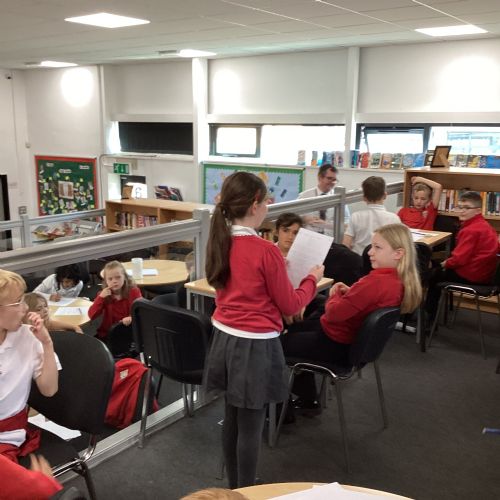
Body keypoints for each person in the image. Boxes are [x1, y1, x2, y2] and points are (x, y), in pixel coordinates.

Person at [203, 171, 324, 489]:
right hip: (255, 346)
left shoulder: (220, 240)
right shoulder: (265, 250)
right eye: (267, 200)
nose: (269, 206)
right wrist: (311, 279)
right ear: (255, 204)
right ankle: (246, 491)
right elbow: (290, 304)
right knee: (251, 426)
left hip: (224, 338)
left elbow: (239, 285)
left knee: (232, 417)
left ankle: (236, 486)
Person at [282, 223, 422, 406]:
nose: (370, 252)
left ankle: (284, 409)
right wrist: (350, 293)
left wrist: (335, 294)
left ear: (398, 253)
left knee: (274, 345)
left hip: (335, 344)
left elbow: (333, 314)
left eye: (377, 247)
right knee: (298, 326)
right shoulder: (396, 281)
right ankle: (307, 398)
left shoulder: (375, 282)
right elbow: (369, 301)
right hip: (350, 342)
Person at [0, 270, 58, 463]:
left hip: (6, 435)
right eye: (18, 302)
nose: (25, 308)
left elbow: (49, 389)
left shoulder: (28, 337)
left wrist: (47, 344)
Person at [425, 191, 500, 321]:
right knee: (436, 267)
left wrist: (441, 265)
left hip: (472, 275)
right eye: (459, 207)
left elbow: (458, 260)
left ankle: (428, 317)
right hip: (486, 274)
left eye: (467, 208)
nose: (462, 211)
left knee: (433, 275)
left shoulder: (470, 230)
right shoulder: (484, 225)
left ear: (477, 210)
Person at [342, 176, 401, 255]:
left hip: (359, 259)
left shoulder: (355, 217)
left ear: (364, 198)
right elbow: (398, 245)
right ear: (385, 195)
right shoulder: (394, 219)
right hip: (383, 260)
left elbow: (346, 244)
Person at [88, 260, 142, 340]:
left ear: (125, 277)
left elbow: (141, 311)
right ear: (106, 281)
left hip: (130, 330)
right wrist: (100, 298)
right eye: (110, 279)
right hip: (110, 333)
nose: (114, 281)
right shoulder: (103, 295)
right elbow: (91, 315)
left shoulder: (133, 291)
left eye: (118, 277)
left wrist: (131, 317)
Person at [297, 163, 350, 237]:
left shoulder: (338, 198)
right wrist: (304, 219)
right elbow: (294, 218)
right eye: (329, 178)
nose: (332, 182)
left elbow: (347, 224)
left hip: (331, 239)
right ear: (320, 178)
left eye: (334, 180)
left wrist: (326, 224)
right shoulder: (304, 196)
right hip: (309, 238)